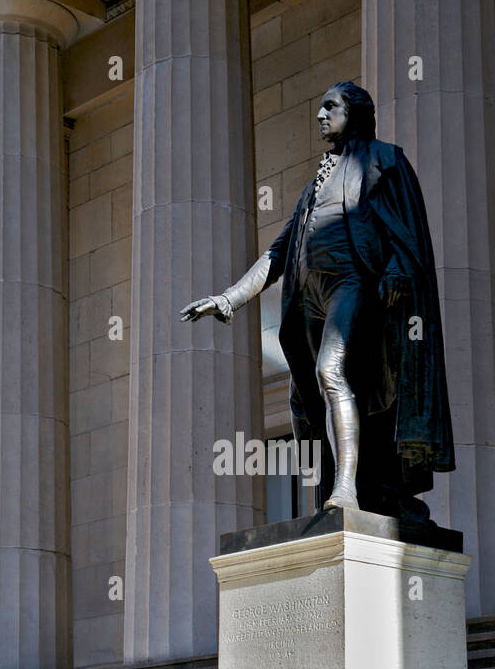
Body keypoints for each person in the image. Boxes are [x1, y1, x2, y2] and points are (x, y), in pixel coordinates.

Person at [180, 81, 454, 527]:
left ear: (356, 113)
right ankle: (343, 485)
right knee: (314, 389)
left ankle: (345, 487)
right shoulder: (312, 187)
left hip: (353, 282)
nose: (321, 115)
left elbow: (407, 230)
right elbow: (278, 252)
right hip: (308, 296)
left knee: (332, 370)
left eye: (331, 106)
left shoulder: (385, 160)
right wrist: (228, 298)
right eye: (320, 107)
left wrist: (399, 268)